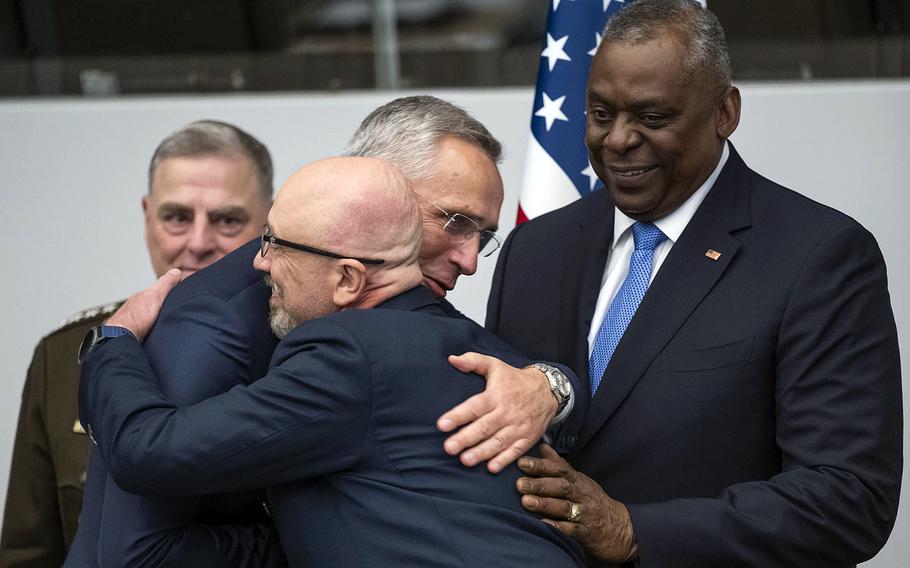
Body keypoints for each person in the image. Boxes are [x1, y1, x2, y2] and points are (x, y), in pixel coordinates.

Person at [66, 96, 574, 566]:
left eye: (481, 235)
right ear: (377, 190)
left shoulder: (401, 326)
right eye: (457, 221)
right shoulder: (224, 316)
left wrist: (550, 386)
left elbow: (555, 379)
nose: (470, 261)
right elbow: (139, 547)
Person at [486, 1, 902, 566]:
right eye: (601, 113)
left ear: (725, 112)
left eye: (652, 118)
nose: (618, 141)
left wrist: (634, 531)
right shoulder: (536, 249)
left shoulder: (818, 256)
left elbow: (848, 499)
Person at [0, 119, 275, 568]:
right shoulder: (70, 352)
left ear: (271, 221)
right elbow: (31, 550)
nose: (199, 242)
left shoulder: (298, 354)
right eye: (177, 217)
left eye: (228, 220)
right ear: (147, 216)